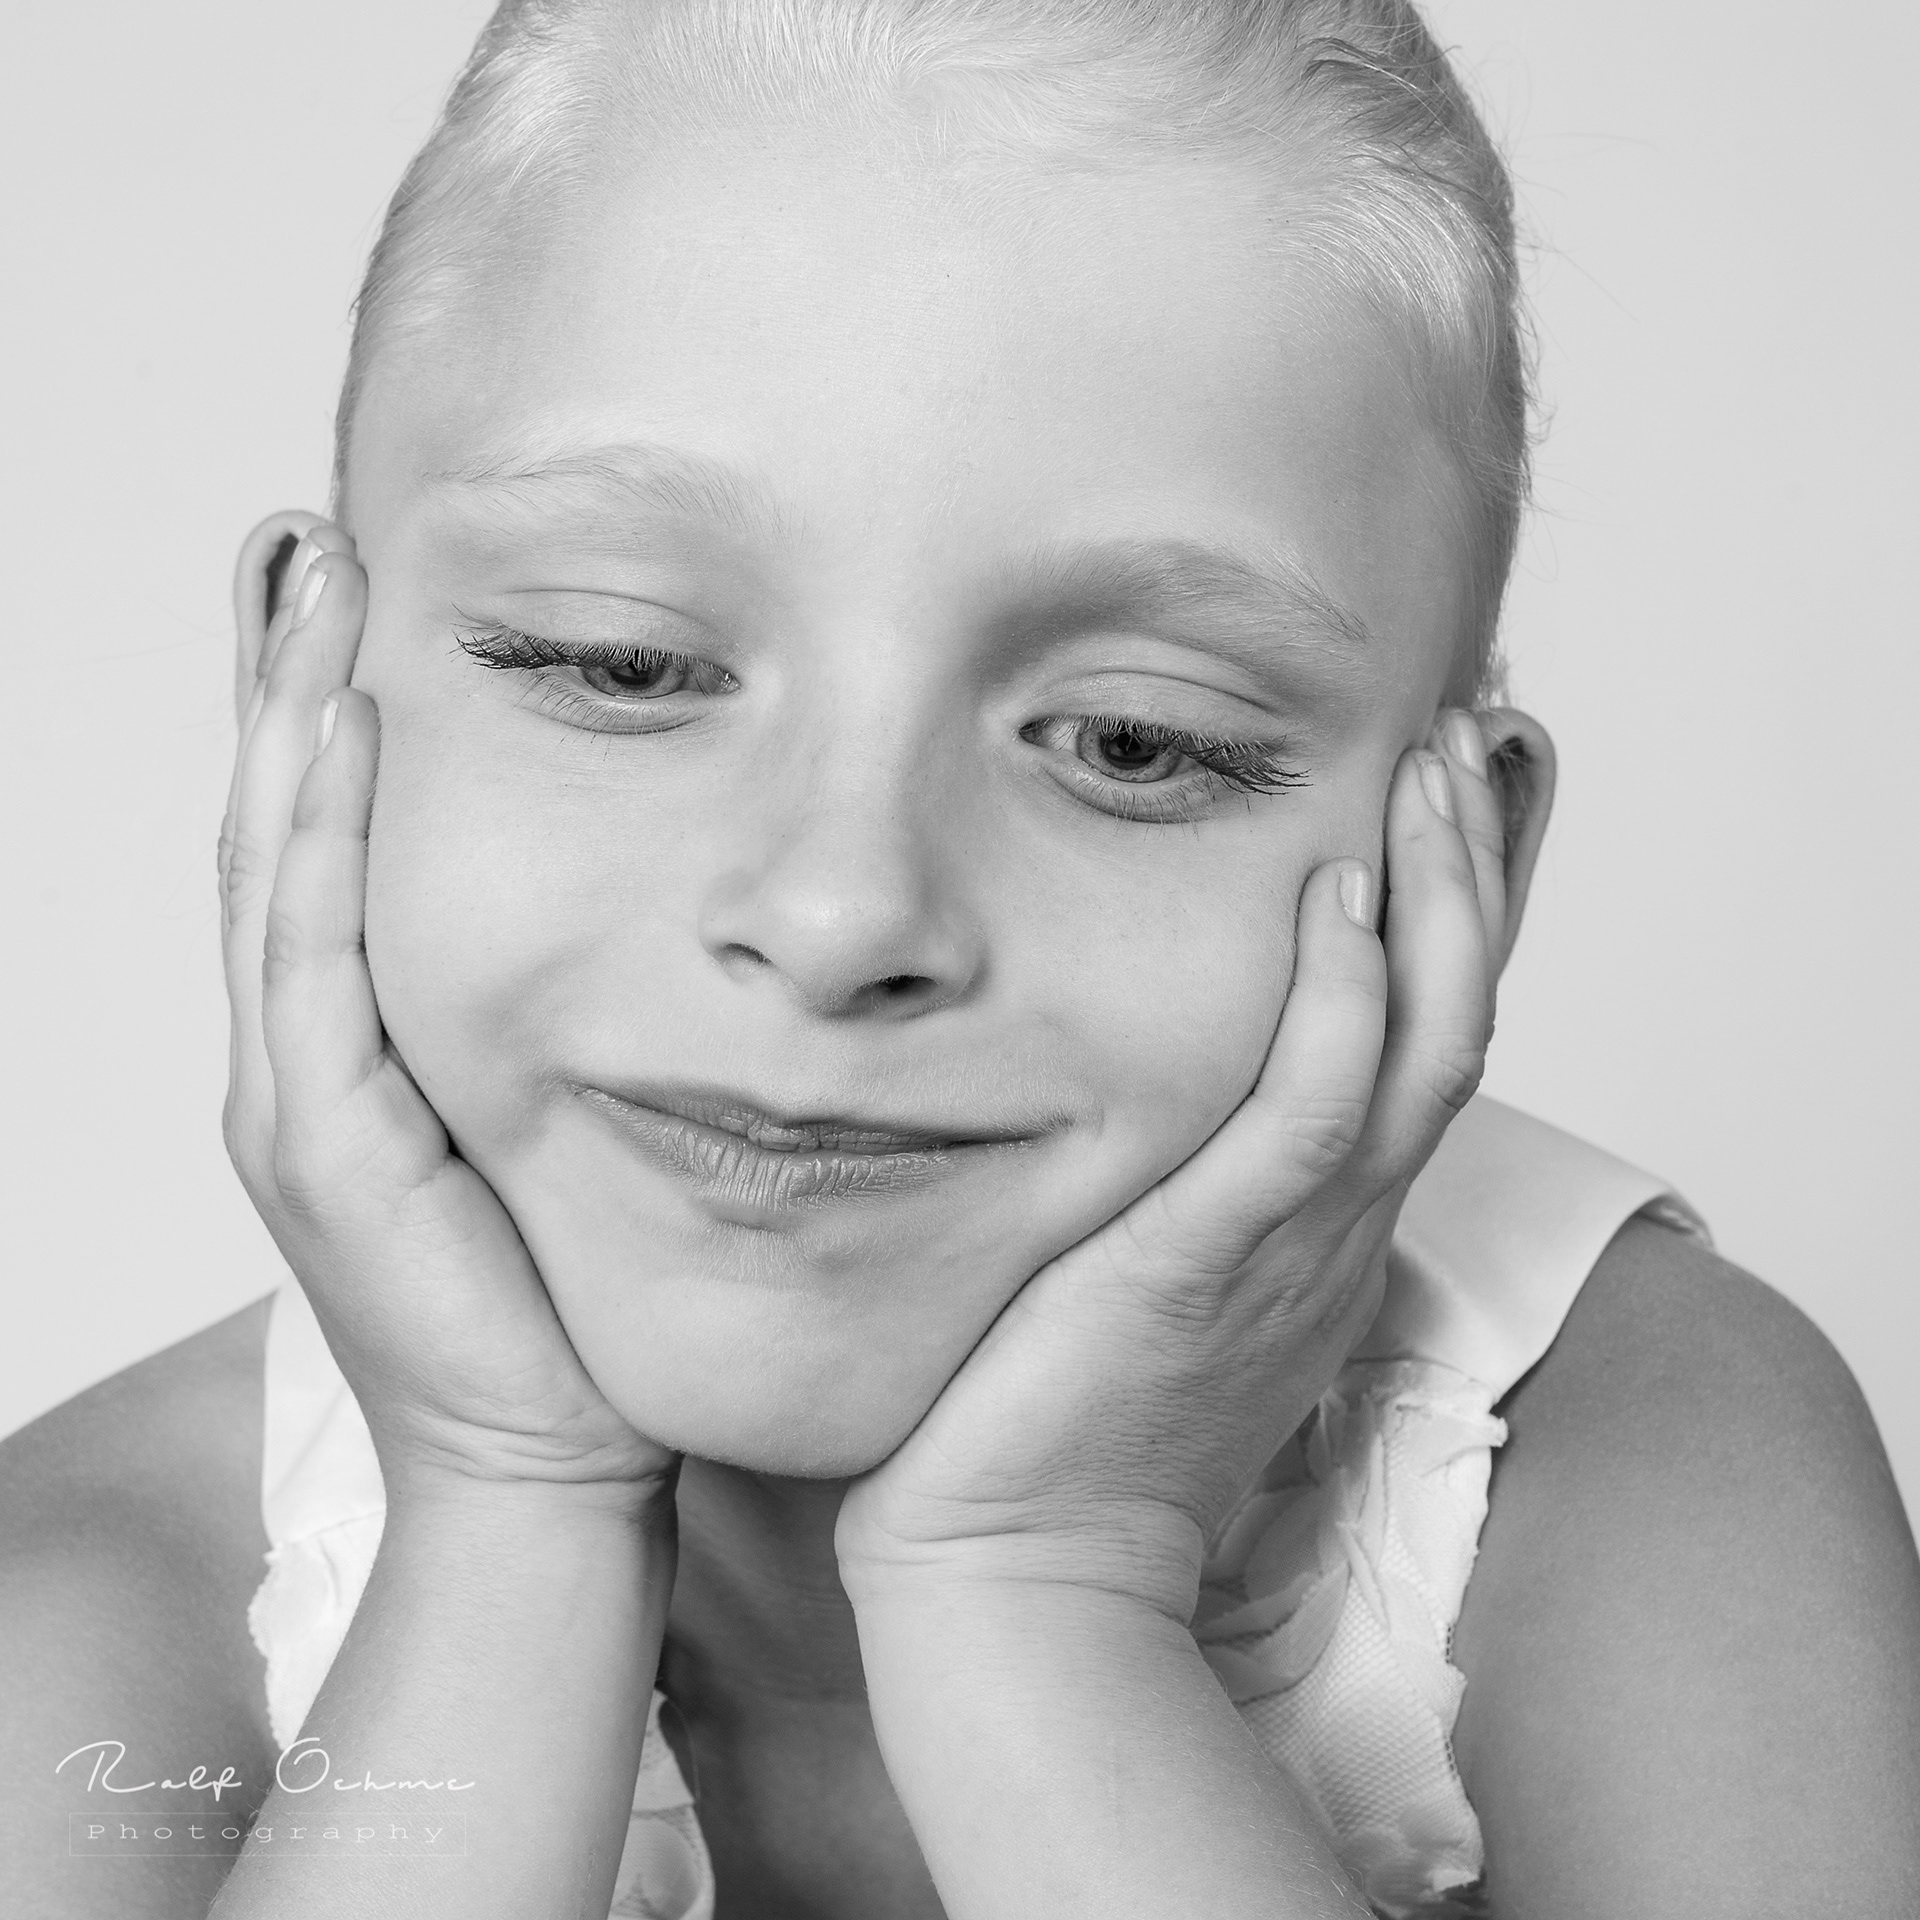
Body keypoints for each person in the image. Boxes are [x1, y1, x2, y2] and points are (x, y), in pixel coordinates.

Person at [4, 2, 1917, 1915]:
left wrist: (1044, 1585)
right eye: (623, 662)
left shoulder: (1645, 1468)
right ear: (297, 687)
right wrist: (508, 1510)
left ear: (1464, 862)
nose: (840, 916)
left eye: (1135, 744)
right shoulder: (96, 1619)